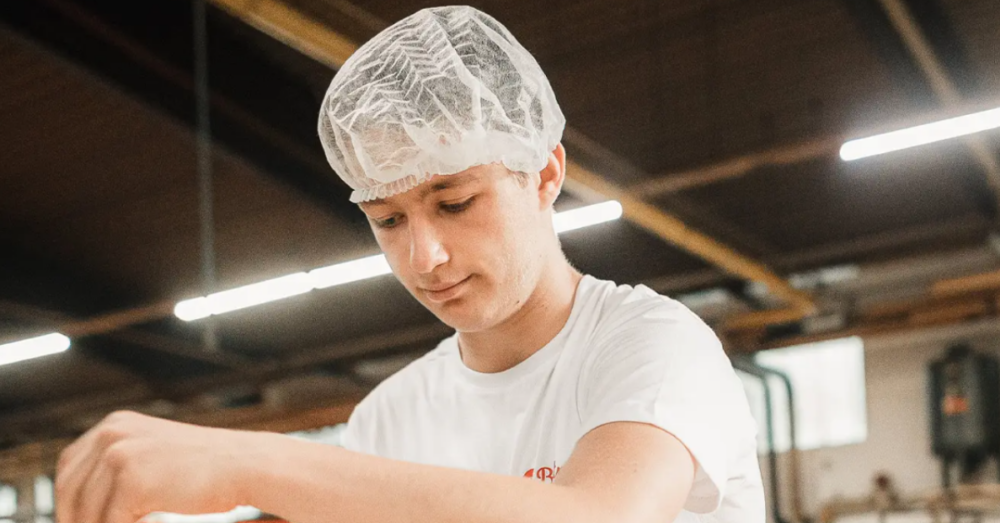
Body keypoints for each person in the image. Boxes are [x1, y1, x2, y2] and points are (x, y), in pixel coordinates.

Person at [55, 6, 764, 523]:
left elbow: (598, 516)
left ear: (543, 175)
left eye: (453, 202)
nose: (424, 255)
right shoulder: (390, 418)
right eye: (388, 220)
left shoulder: (651, 345)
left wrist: (246, 461)